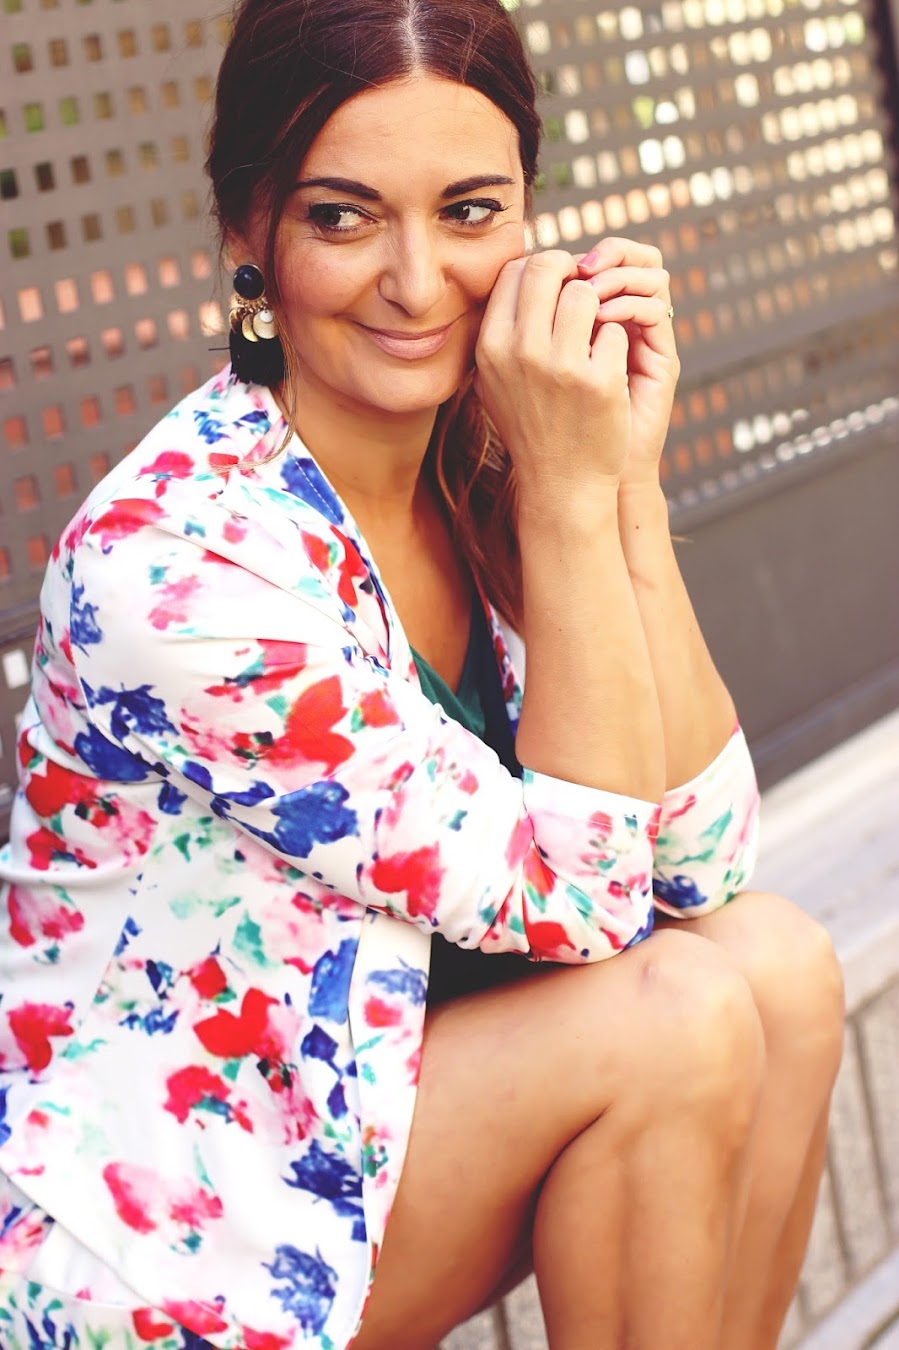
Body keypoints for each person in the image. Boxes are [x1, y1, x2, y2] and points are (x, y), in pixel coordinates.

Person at [0, 1, 845, 1347]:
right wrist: (567, 498)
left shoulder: (487, 459)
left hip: (363, 1115)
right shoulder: (174, 568)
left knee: (779, 968)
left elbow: (702, 861)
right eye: (343, 218)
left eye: (469, 212)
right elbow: (585, 903)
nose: (416, 281)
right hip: (167, 1242)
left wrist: (621, 482)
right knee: (677, 1015)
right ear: (249, 231)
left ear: (529, 219)